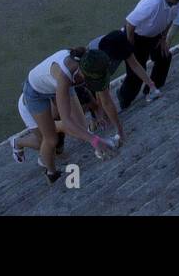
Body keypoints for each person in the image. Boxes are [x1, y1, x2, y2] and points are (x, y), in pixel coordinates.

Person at [9, 48, 119, 183]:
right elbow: (66, 122)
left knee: (82, 128)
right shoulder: (64, 77)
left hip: (54, 86)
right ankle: (51, 172)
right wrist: (96, 141)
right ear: (82, 72)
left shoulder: (87, 59)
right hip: (36, 94)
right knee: (51, 139)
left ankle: (48, 148)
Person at [117, 0, 179, 110]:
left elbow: (170, 20)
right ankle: (124, 100)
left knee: (165, 57)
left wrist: (163, 38)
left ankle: (152, 90)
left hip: (156, 35)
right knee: (136, 74)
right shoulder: (152, 3)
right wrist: (130, 44)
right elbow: (130, 23)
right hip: (136, 37)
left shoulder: (176, 2)